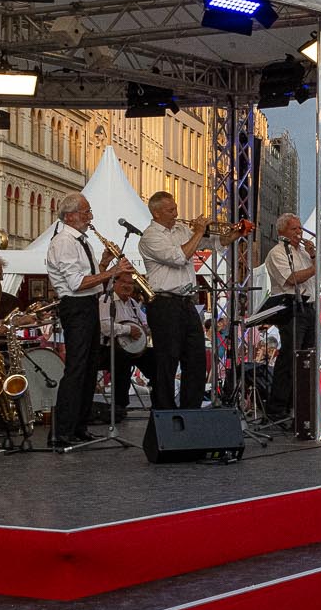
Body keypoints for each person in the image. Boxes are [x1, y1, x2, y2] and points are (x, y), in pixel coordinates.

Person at [44, 198, 133, 448]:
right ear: (70, 216)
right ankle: (62, 430)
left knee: (89, 367)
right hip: (76, 306)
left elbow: (92, 279)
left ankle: (79, 427)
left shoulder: (81, 242)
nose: (90, 217)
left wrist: (103, 262)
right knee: (77, 368)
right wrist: (113, 272)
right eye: (86, 212)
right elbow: (76, 283)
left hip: (88, 304)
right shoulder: (64, 242)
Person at [133, 191, 209, 415]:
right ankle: (165, 412)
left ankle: (191, 411)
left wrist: (234, 233)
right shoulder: (150, 237)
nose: (176, 213)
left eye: (175, 208)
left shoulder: (181, 230)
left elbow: (211, 243)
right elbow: (179, 257)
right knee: (168, 359)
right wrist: (199, 231)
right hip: (164, 303)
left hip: (187, 301)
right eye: (170, 210)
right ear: (156, 213)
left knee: (196, 358)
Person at [262, 212, 319, 425]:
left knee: (307, 358)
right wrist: (315, 267)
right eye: (294, 229)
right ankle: (278, 407)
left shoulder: (302, 252)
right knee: (289, 358)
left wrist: (314, 256)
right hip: (291, 308)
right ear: (282, 231)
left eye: (300, 228)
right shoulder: (277, 253)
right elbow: (291, 278)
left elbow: (316, 274)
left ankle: (300, 405)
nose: (299, 232)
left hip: (308, 307)